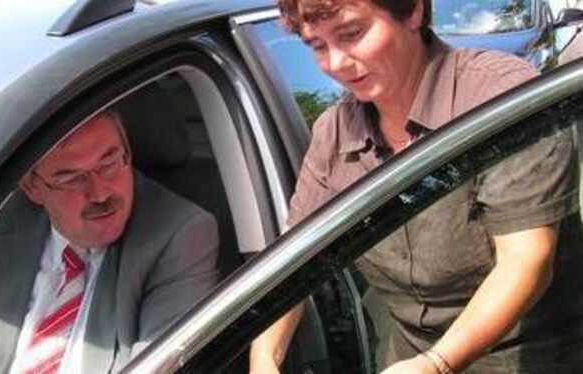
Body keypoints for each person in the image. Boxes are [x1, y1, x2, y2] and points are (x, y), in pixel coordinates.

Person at [250, 0, 583, 373]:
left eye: (352, 34)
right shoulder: (335, 132)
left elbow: (526, 259)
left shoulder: (497, 98)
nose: (336, 63)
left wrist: (437, 364)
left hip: (530, 359)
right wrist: (265, 357)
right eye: (318, 46)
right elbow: (294, 256)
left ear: (413, 12)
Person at [0, 110, 220, 373]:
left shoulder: (178, 233)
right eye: (72, 178)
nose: (100, 193)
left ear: (127, 150)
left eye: (109, 163)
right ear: (32, 187)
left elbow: (160, 366)